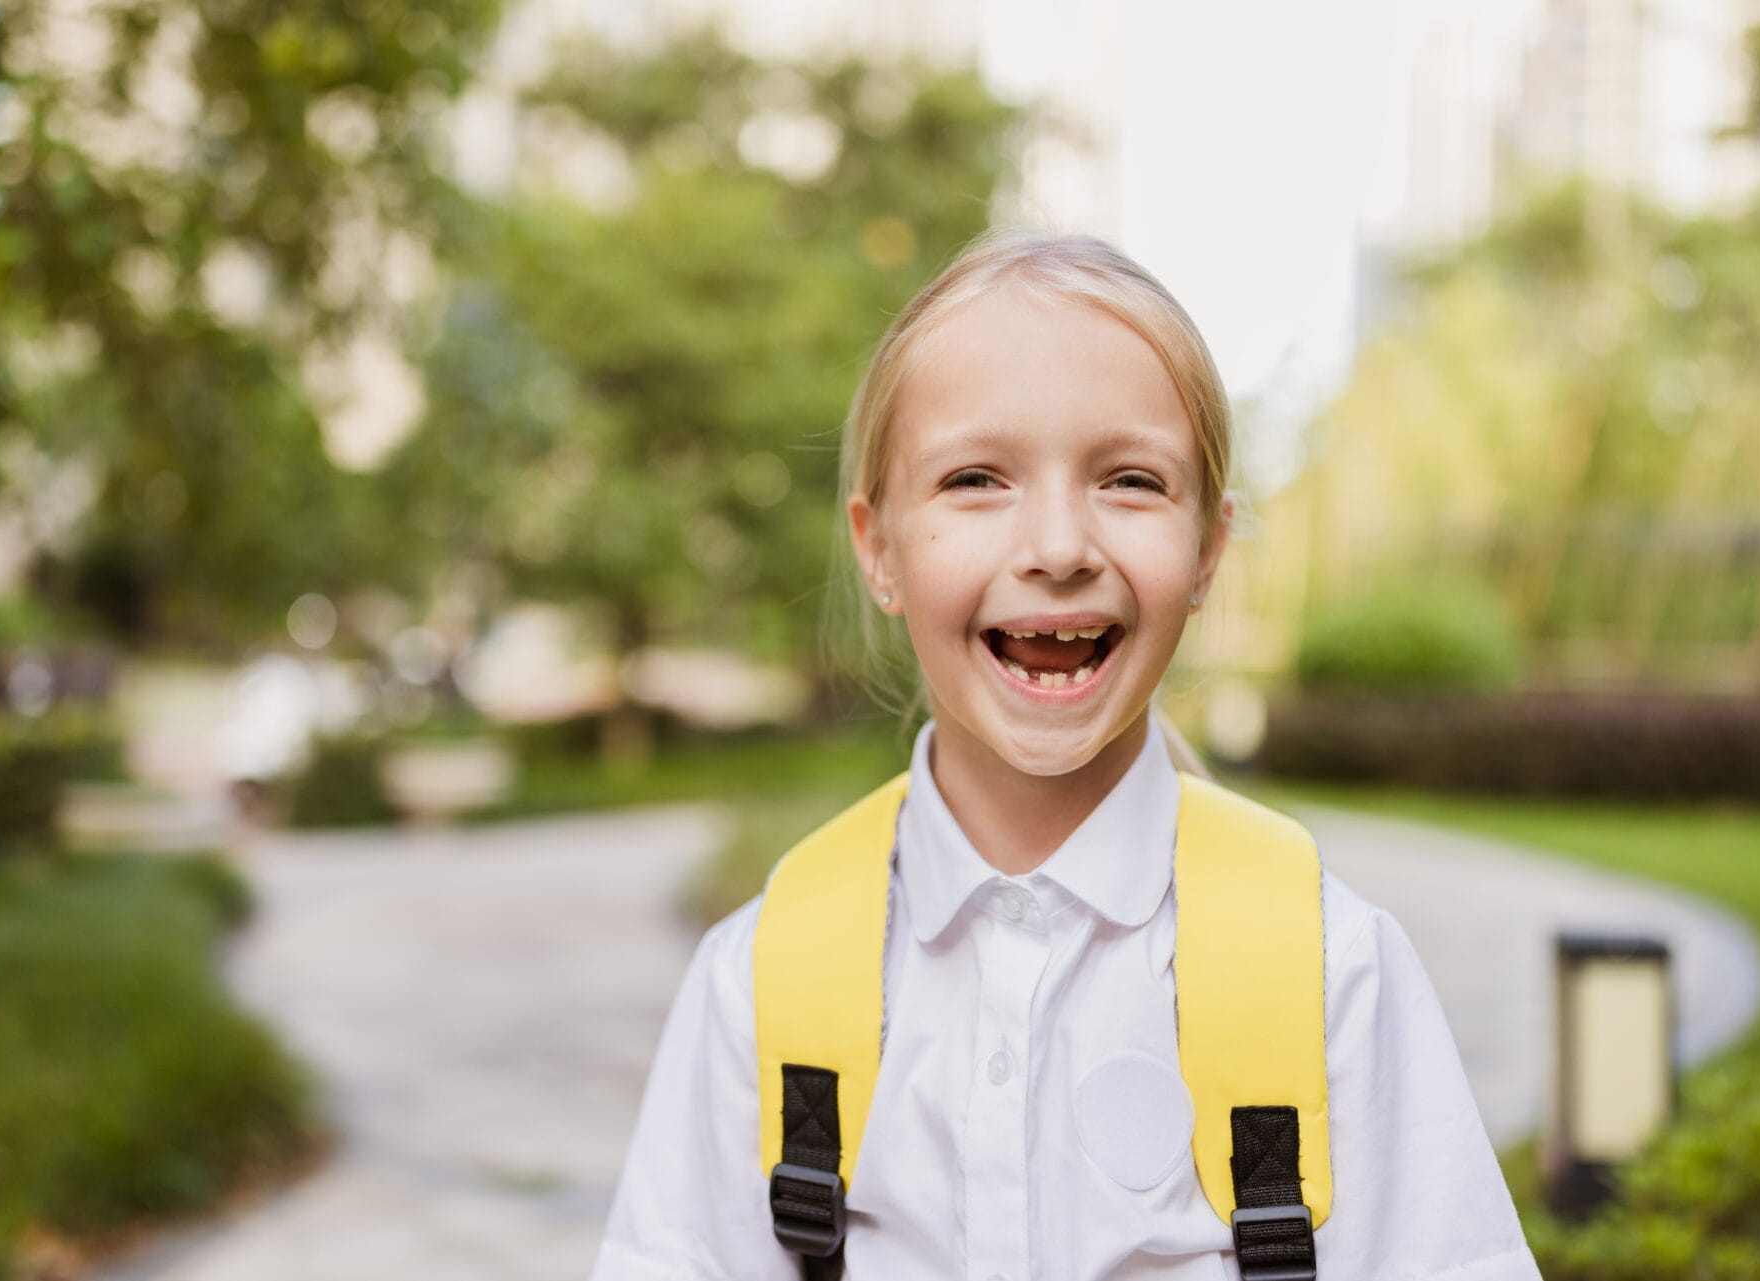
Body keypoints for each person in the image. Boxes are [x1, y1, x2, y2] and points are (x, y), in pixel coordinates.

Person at [592, 229, 1543, 1279]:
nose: (1057, 547)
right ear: (879, 548)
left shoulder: (1334, 973)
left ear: (1208, 551)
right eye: (975, 479)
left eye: (1130, 481)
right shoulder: (761, 979)